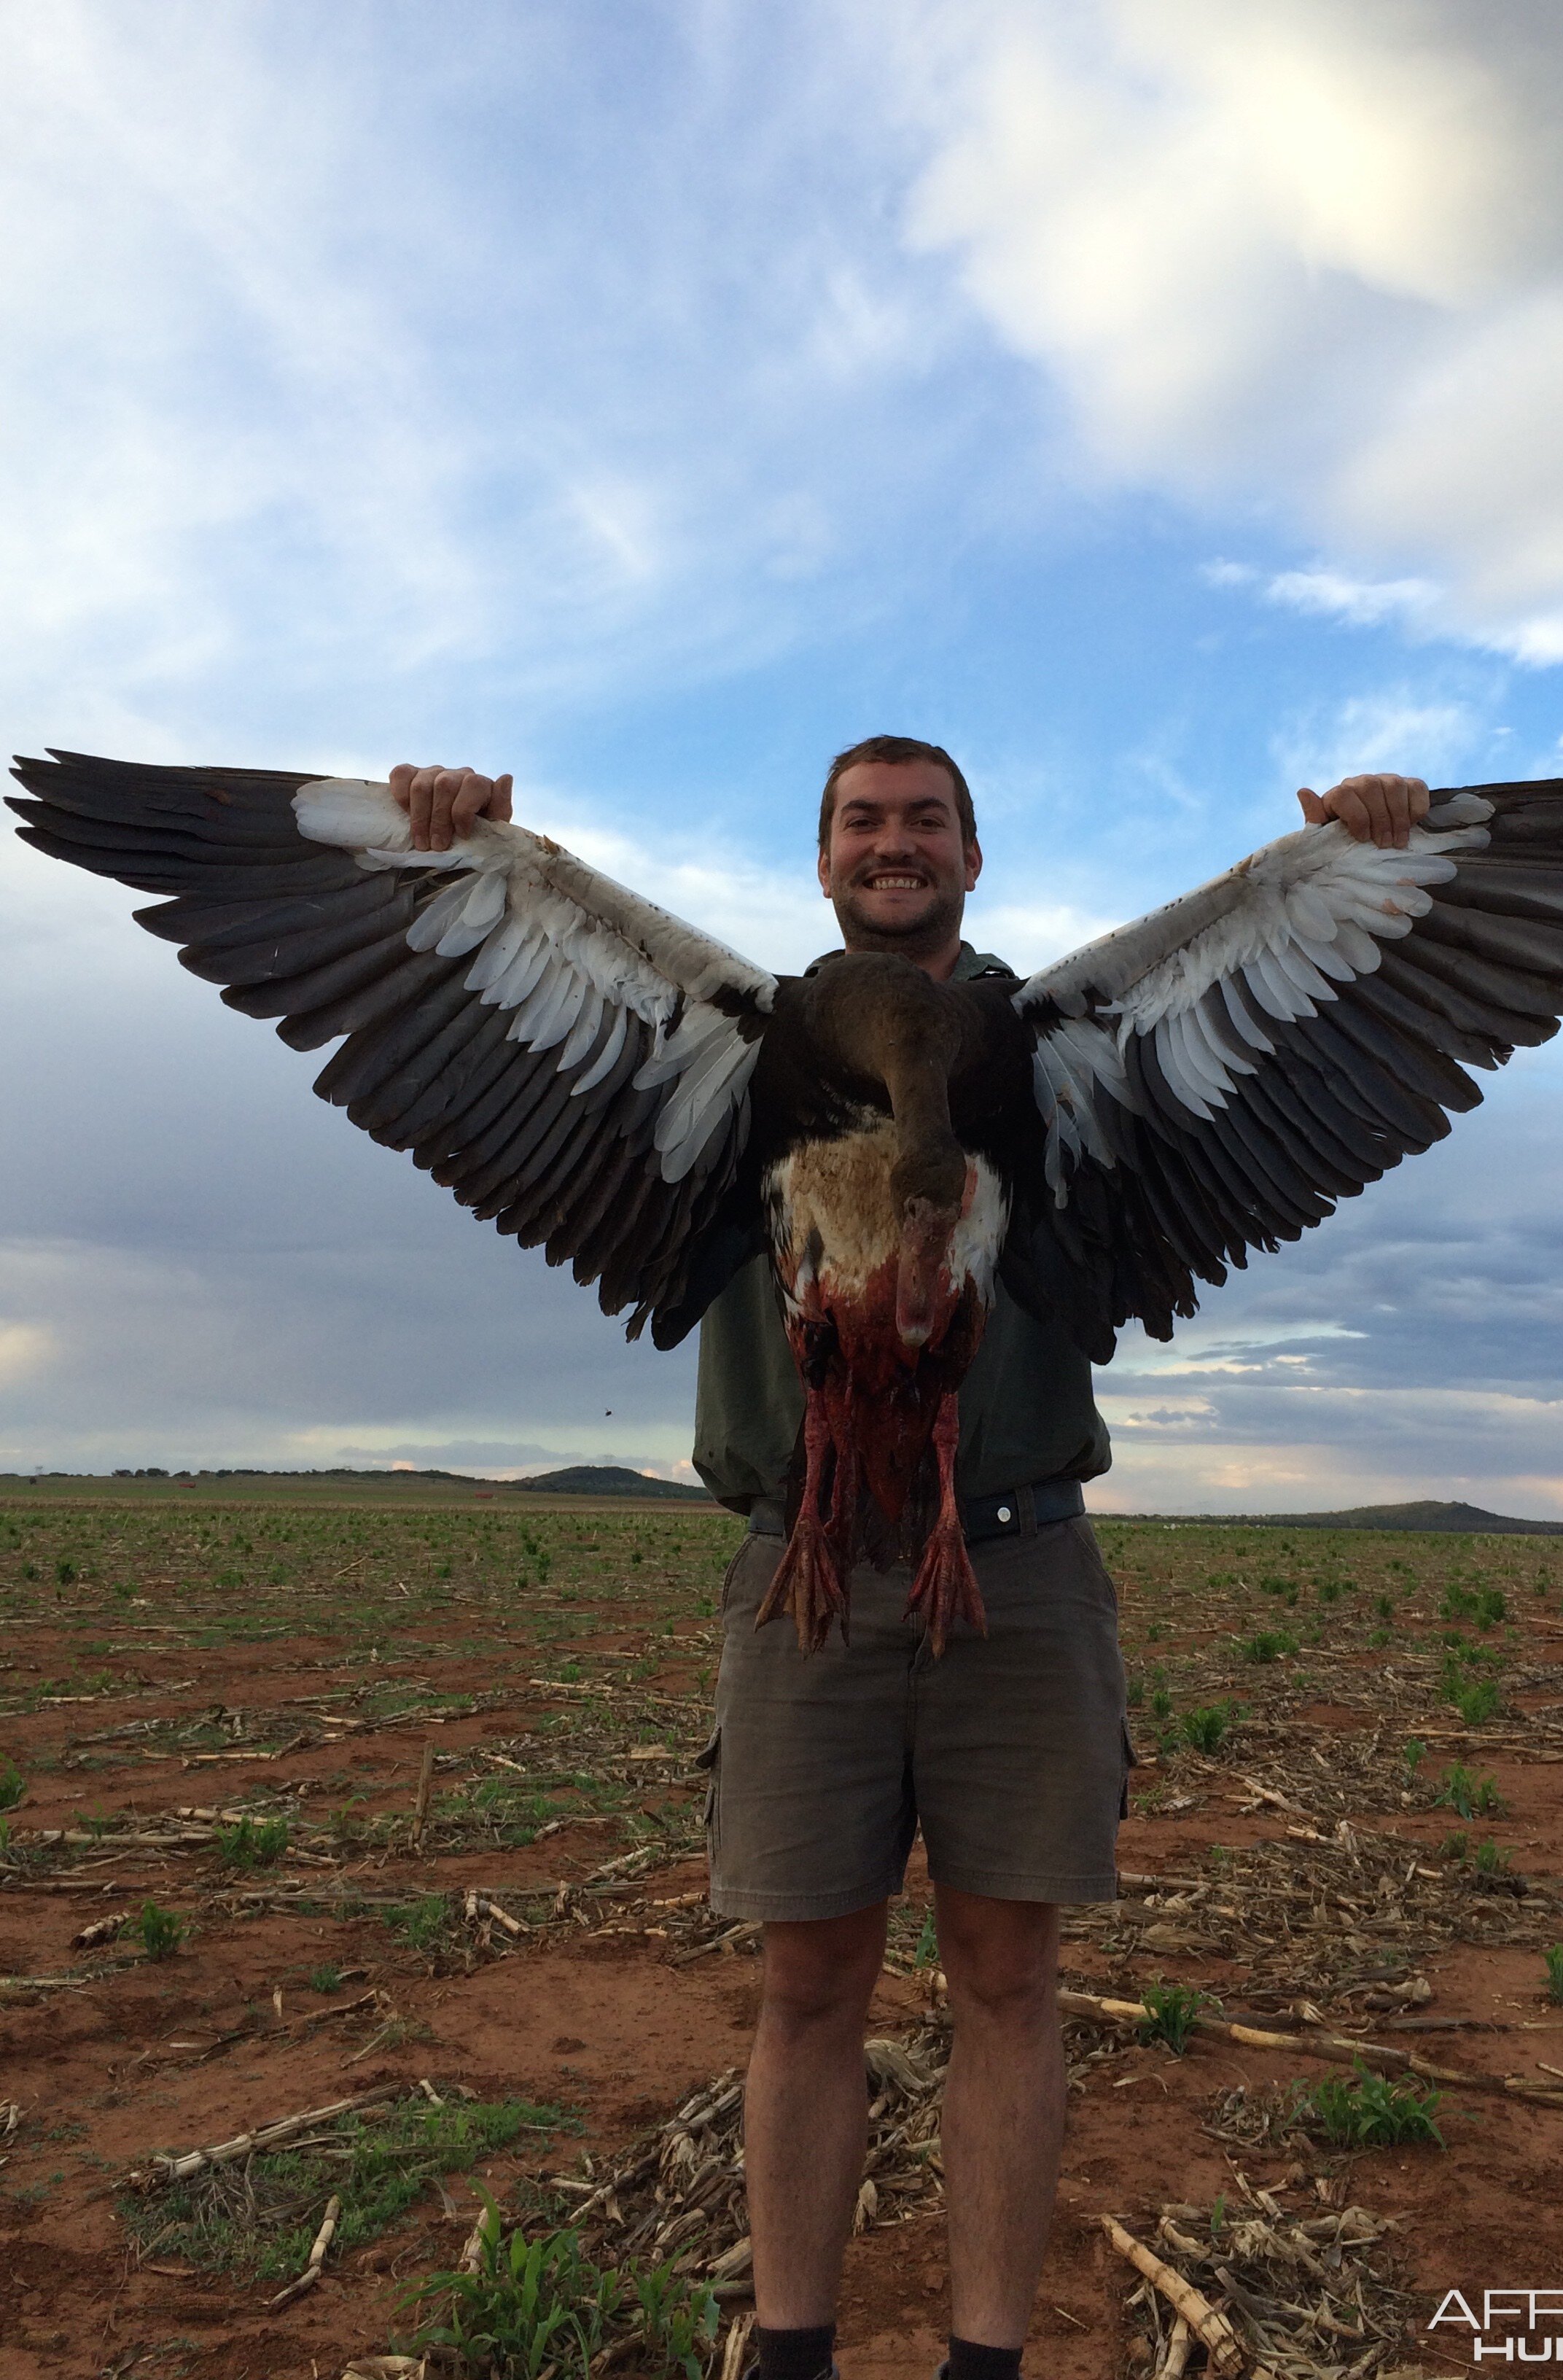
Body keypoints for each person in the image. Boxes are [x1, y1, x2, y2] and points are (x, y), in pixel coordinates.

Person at [387, 742, 1430, 2379]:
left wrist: (1376, 854)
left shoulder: (1060, 1043)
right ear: (822, 864)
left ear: (971, 855)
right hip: (803, 1571)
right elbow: (425, 901)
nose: (895, 844)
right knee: (809, 1980)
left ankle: (983, 2362)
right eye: (865, 824)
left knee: (1010, 1974)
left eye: (924, 822)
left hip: (1016, 1570)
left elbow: (1380, 928)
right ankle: (794, 2356)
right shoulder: (732, 1041)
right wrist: (434, 839)